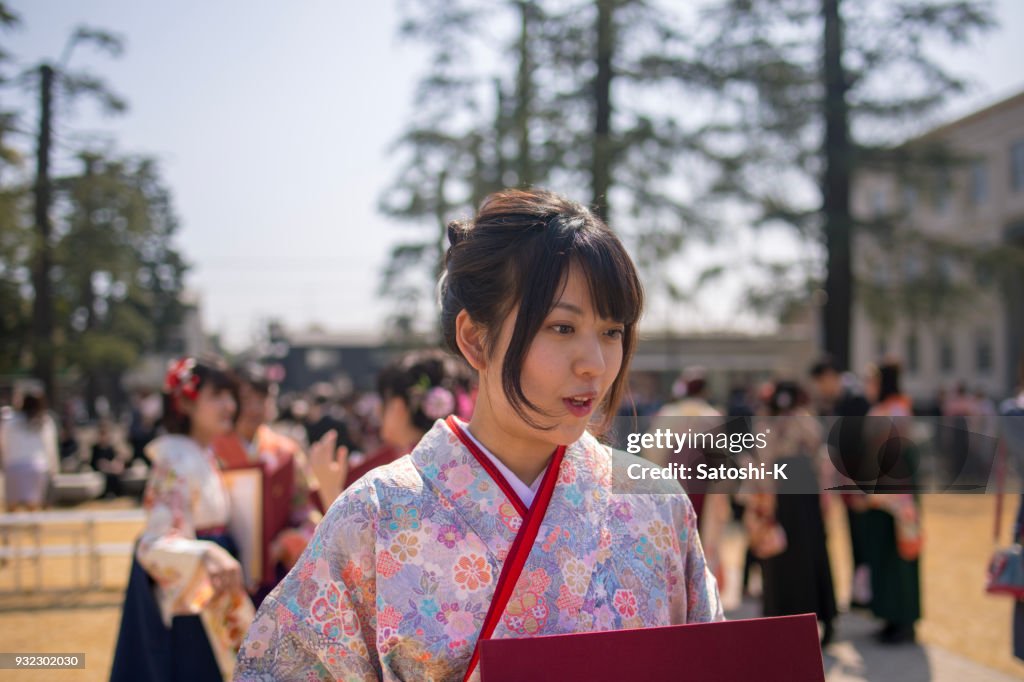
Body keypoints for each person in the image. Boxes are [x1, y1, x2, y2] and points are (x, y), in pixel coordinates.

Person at [235, 189, 723, 680]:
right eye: (560, 327)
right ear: (475, 338)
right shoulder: (375, 516)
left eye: (612, 331)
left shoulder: (656, 504)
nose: (595, 364)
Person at [111, 358, 254, 681]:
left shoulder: (200, 453)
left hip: (208, 591)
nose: (229, 405)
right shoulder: (173, 459)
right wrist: (206, 552)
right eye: (217, 395)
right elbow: (154, 543)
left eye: (231, 395)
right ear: (187, 402)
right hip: (193, 600)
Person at [212, 364, 322, 605]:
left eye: (262, 399)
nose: (254, 408)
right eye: (246, 400)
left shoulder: (286, 452)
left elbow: (308, 510)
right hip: (224, 567)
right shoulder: (212, 451)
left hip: (277, 571)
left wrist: (288, 541)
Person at [310, 349, 474, 505]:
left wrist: (329, 489)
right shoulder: (459, 465)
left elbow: (361, 534)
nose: (378, 409)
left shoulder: (407, 475)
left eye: (383, 399)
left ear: (398, 407)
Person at [753, 381, 838, 646]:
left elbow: (766, 461)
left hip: (793, 494)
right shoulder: (800, 420)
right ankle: (807, 618)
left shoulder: (776, 422)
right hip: (798, 495)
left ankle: (795, 618)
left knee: (798, 556)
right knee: (800, 554)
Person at [859, 360, 922, 645]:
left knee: (900, 555)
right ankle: (887, 615)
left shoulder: (898, 409)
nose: (867, 387)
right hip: (880, 490)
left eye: (872, 381)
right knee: (882, 554)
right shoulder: (881, 410)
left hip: (896, 491)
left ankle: (904, 619)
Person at [809, 355, 872, 609]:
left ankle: (867, 593)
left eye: (822, 381)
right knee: (854, 537)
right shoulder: (836, 403)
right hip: (846, 480)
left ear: (831, 377)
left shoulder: (856, 401)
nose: (821, 388)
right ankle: (860, 593)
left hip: (862, 481)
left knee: (865, 537)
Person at [0, 389, 58, 512]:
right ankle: (34, 530)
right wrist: (54, 469)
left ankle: (9, 531)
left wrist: (4, 463)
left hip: (13, 466)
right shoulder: (45, 422)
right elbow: (51, 448)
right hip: (37, 467)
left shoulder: (11, 421)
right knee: (33, 506)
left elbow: (3, 443)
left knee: (11, 506)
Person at [90, 419, 125, 498]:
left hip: (110, 469)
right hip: (100, 470)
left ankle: (115, 493)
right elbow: (93, 462)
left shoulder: (110, 448)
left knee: (114, 475)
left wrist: (113, 464)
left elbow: (115, 459)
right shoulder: (95, 448)